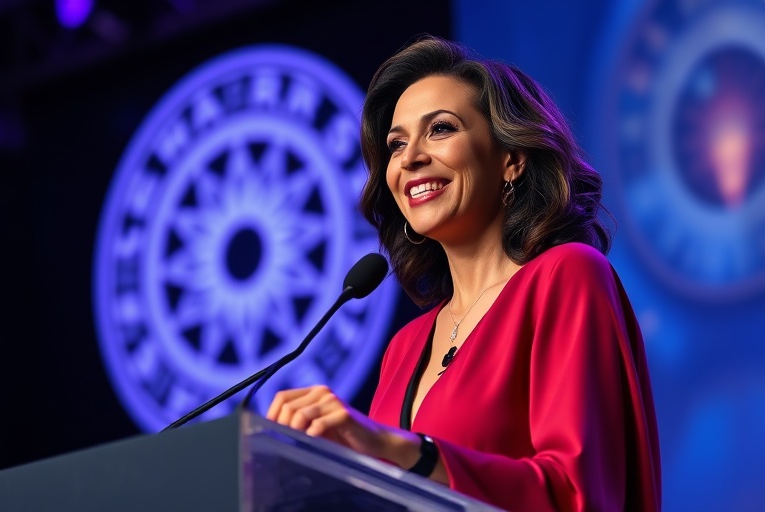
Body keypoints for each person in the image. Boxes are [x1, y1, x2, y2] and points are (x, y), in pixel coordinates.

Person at [266, 35, 660, 512]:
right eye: (396, 144)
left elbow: (577, 495)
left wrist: (398, 450)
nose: (409, 158)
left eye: (440, 129)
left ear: (511, 159)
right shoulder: (404, 347)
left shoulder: (567, 275)